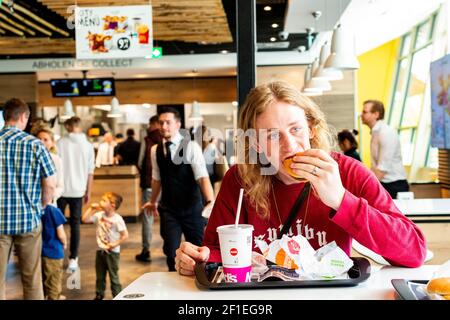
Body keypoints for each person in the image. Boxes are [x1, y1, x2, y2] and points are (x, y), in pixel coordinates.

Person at [174, 81, 427, 276]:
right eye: (272, 135)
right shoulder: (239, 180)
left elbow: (414, 251)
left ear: (311, 129)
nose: (290, 146)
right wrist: (200, 257)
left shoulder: (348, 172)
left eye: (296, 129)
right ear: (257, 145)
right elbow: (217, 252)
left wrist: (340, 199)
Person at [142, 107, 215, 271]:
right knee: (171, 252)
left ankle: (198, 288)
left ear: (178, 124)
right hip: (169, 210)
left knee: (198, 252)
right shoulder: (155, 150)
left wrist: (211, 201)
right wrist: (152, 202)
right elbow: (156, 179)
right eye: (161, 123)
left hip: (192, 209)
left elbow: (202, 176)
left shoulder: (191, 146)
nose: (164, 126)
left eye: (168, 122)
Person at [0, 98, 56, 300]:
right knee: (32, 280)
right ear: (23, 116)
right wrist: (42, 205)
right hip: (28, 221)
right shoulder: (35, 145)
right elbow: (50, 183)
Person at [57, 116, 95, 271]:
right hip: (79, 190)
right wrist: (88, 191)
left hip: (60, 190)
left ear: (67, 126)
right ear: (79, 126)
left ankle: (57, 256)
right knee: (75, 226)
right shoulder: (88, 145)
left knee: (56, 224)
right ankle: (73, 258)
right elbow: (90, 171)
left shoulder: (59, 143)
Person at [82, 192, 128, 300]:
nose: (100, 202)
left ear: (112, 205)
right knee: (100, 275)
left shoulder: (117, 219)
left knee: (114, 276)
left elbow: (125, 235)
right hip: (100, 250)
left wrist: (114, 244)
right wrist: (91, 209)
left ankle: (117, 295)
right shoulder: (99, 215)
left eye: (103, 200)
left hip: (113, 253)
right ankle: (99, 294)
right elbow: (85, 219)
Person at [361, 100, 409, 199]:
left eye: (365, 112)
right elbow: (375, 166)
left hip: (394, 185)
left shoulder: (385, 132)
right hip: (384, 183)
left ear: (376, 114)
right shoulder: (375, 132)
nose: (361, 115)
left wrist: (366, 189)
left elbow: (383, 168)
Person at [135, 115, 161, 262]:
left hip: (149, 184)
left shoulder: (147, 140)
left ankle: (146, 249)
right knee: (169, 217)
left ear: (154, 124)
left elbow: (139, 161)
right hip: (167, 187)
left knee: (147, 217)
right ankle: (171, 249)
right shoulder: (168, 140)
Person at [41, 204, 67, 300]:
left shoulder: (37, 208)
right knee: (53, 281)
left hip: (40, 250)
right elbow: (60, 233)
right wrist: (65, 243)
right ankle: (54, 297)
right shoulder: (54, 210)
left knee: (43, 279)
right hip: (53, 251)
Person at [34, 127, 65, 202]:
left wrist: (49, 196)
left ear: (52, 143)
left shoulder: (56, 159)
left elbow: (61, 187)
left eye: (45, 140)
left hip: (50, 202)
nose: (41, 142)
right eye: (39, 139)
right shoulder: (30, 158)